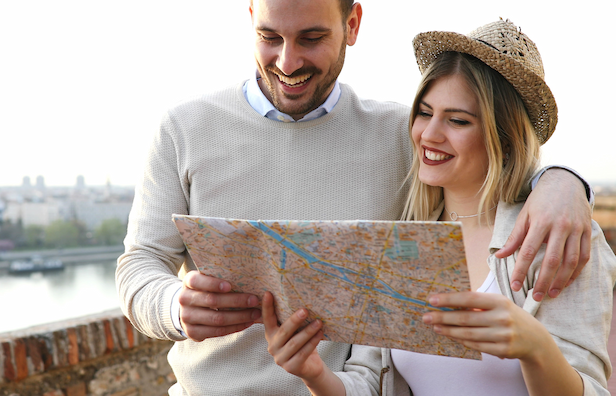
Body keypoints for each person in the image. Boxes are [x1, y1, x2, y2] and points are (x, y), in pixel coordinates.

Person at [115, 0, 594, 393]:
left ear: (352, 24)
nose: (287, 61)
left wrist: (564, 181)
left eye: (312, 37)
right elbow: (138, 265)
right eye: (269, 37)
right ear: (250, 21)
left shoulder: (398, 135)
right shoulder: (183, 129)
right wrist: (174, 306)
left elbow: (496, 157)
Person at [263, 19, 616, 395]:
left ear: (506, 135)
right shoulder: (401, 240)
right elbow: (368, 381)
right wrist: (314, 373)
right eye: (425, 113)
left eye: (458, 120)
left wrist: (537, 348)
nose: (429, 135)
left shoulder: (559, 236)